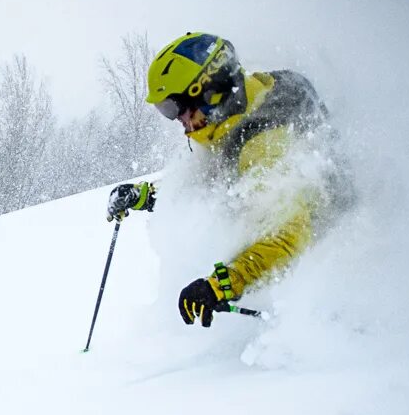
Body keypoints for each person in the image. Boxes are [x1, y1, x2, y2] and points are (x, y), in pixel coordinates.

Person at [106, 32, 336, 327]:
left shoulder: (264, 143)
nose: (181, 123)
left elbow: (290, 236)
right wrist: (145, 195)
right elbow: (209, 180)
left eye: (175, 109)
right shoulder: (248, 102)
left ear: (209, 91)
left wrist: (221, 284)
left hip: (329, 273)